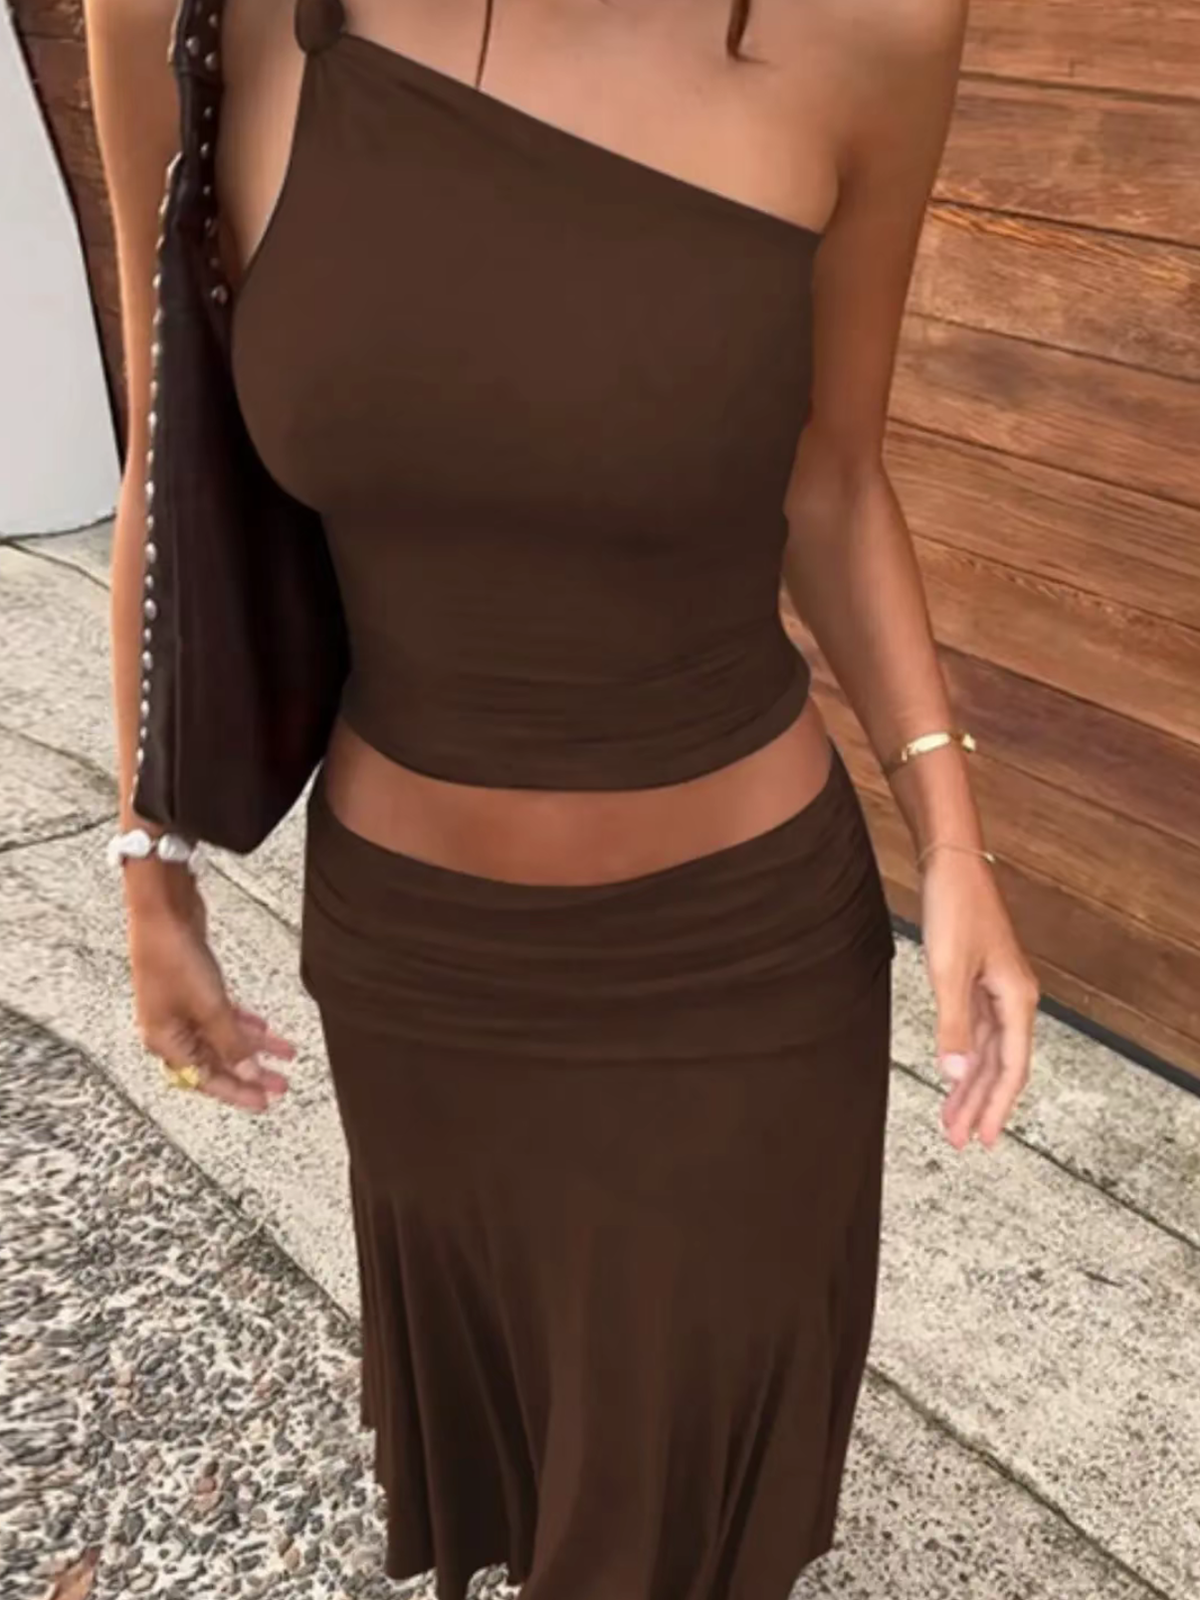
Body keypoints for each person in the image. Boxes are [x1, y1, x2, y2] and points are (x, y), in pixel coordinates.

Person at [89, 0, 1039, 1594]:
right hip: (416, 978)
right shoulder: (193, 16)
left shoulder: (866, 30)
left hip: (740, 974)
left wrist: (954, 842)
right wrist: (148, 865)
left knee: (670, 1533)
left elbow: (833, 476)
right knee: (530, 1483)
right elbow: (164, 453)